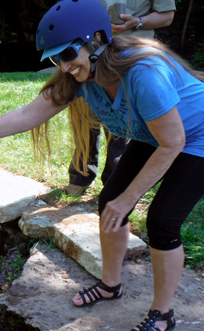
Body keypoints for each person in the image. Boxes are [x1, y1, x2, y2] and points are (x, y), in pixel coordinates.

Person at [0, 0, 204, 331]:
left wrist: (131, 198)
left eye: (69, 52)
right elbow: (30, 114)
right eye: (55, 58)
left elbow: (173, 142)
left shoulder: (142, 74)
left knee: (162, 221)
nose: (65, 65)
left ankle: (163, 314)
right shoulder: (79, 76)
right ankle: (110, 285)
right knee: (109, 203)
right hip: (158, 133)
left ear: (97, 39)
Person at [67, 0, 176, 195]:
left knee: (122, 125)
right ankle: (80, 175)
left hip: (132, 56)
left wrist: (137, 21)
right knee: (86, 117)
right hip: (89, 52)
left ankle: (113, 183)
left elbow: (167, 16)